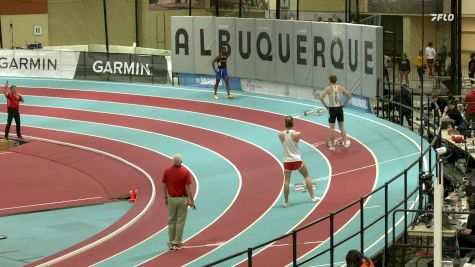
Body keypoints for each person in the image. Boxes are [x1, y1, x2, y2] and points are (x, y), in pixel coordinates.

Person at [278, 116, 320, 208]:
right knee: (307, 176)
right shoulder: (297, 134)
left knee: (287, 181)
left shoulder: (280, 134)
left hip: (287, 161)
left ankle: (286, 202)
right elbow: (295, 135)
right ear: (292, 123)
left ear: (285, 124)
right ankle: (313, 197)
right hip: (297, 159)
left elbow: (285, 136)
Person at [162, 154, 194, 251]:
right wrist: (191, 200)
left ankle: (171, 242)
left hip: (171, 199)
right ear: (181, 161)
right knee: (180, 221)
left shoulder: (167, 171)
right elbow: (188, 188)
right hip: (182, 199)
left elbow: (164, 185)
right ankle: (177, 242)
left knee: (171, 220)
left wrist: (165, 197)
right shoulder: (185, 172)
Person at [319, 75, 352, 151]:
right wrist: (344, 104)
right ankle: (345, 143)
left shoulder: (328, 89)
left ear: (330, 81)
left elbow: (321, 97)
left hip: (332, 109)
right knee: (342, 127)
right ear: (336, 80)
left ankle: (333, 146)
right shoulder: (341, 88)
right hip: (339, 109)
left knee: (332, 128)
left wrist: (326, 105)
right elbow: (350, 95)